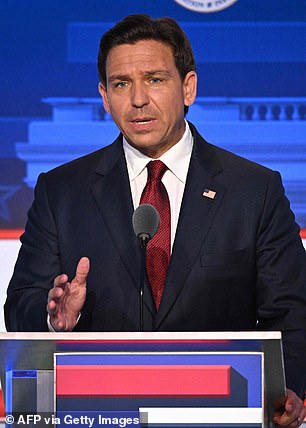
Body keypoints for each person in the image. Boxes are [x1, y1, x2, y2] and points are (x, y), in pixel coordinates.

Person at [4, 14, 306, 425]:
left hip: (224, 413)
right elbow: (21, 306)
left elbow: (292, 312)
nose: (138, 100)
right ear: (104, 96)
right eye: (121, 84)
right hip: (101, 414)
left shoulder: (254, 190)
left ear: (188, 88)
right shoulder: (62, 191)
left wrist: (289, 387)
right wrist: (54, 319)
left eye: (155, 79)